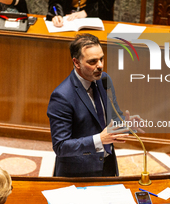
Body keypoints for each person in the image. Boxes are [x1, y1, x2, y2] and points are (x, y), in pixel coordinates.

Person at [47, 33, 143, 177]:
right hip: (78, 173)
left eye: (101, 59)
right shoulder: (62, 96)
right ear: (76, 62)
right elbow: (61, 147)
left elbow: (112, 117)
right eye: (92, 61)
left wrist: (125, 125)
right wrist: (99, 139)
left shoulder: (104, 79)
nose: (100, 65)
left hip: (108, 166)